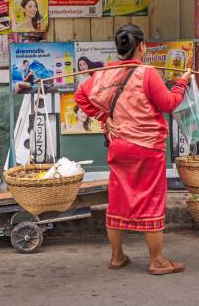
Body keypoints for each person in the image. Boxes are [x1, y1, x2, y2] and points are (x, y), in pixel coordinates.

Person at [75, 24, 192, 275]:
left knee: (117, 201)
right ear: (142, 46)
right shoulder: (147, 73)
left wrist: (102, 117)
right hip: (147, 147)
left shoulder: (104, 73)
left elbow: (80, 97)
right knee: (151, 201)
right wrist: (182, 83)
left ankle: (117, 256)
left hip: (119, 147)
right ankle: (157, 260)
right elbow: (169, 103)